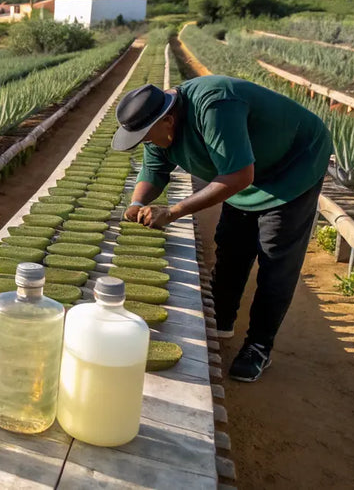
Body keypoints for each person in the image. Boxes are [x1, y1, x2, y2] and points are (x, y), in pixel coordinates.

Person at [111, 76, 331, 382]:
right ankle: (222, 318)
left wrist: (173, 211)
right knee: (231, 243)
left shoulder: (215, 107)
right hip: (244, 168)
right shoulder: (157, 124)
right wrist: (136, 203)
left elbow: (239, 176)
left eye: (148, 136)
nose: (148, 142)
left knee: (274, 255)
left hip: (292, 163)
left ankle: (259, 346)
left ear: (169, 120)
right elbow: (154, 169)